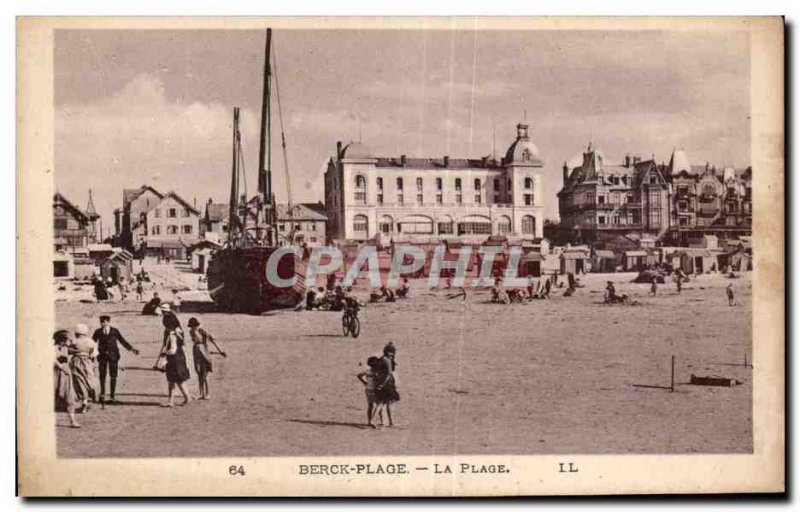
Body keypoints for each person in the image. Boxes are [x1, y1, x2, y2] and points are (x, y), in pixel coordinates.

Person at [92, 315, 139, 403]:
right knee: (102, 375)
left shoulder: (115, 331)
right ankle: (102, 394)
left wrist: (132, 349)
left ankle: (112, 396)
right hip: (102, 356)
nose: (102, 323)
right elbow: (92, 343)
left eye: (104, 322)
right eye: (101, 322)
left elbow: (122, 341)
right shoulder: (97, 332)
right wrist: (91, 354)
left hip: (113, 356)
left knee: (113, 376)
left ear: (108, 322)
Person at [158, 304, 191, 407]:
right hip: (180, 356)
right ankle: (172, 400)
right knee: (174, 380)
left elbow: (172, 350)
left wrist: (164, 355)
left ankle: (186, 398)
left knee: (176, 379)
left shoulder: (171, 334)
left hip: (174, 358)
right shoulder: (178, 331)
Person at [188, 317, 226, 400]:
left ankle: (207, 393)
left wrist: (221, 351)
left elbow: (213, 341)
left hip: (204, 352)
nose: (194, 328)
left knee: (205, 374)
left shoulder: (203, 331)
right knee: (199, 373)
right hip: (196, 352)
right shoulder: (191, 331)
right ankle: (201, 393)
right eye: (192, 326)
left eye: (195, 326)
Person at [54, 330, 80, 428]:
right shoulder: (53, 348)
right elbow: (52, 359)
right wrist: (60, 366)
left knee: (70, 397)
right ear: (62, 340)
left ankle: (72, 421)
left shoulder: (66, 348)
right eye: (67, 339)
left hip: (66, 375)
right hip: (55, 374)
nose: (69, 341)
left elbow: (76, 348)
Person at [70, 323, 98, 411]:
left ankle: (84, 400)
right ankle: (87, 399)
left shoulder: (74, 341)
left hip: (76, 362)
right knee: (88, 379)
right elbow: (94, 354)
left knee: (79, 381)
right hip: (88, 362)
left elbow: (69, 351)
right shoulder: (91, 342)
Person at [374, 342, 400, 427]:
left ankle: (381, 421)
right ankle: (391, 422)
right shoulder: (388, 361)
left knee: (381, 403)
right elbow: (389, 374)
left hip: (380, 383)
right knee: (389, 403)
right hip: (387, 385)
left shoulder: (381, 359)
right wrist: (384, 383)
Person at [356, 356, 381, 428]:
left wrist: (364, 382)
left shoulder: (367, 371)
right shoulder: (377, 373)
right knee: (379, 404)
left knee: (370, 406)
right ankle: (373, 420)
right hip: (374, 390)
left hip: (367, 389)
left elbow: (359, 375)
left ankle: (369, 421)